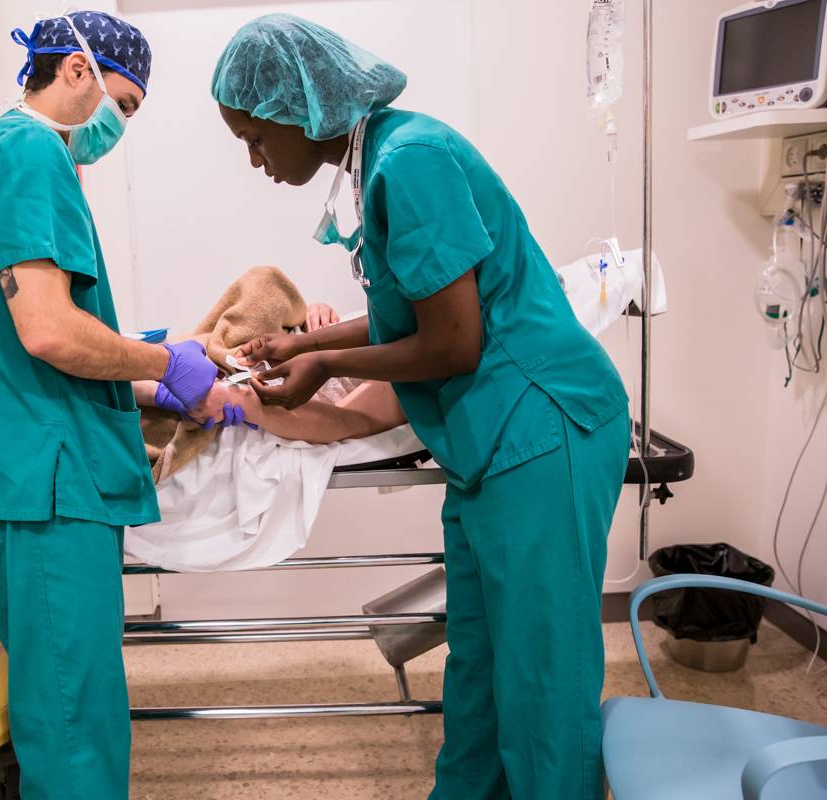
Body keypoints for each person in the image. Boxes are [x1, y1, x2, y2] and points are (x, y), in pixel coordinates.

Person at [211, 15, 630, 800]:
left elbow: (455, 342)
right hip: (486, 443)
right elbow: (414, 309)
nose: (256, 161)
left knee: (542, 673)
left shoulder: (411, 162)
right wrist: (302, 348)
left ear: (299, 108)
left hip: (543, 427)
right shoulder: (380, 163)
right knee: (478, 660)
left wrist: (326, 360)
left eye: (256, 138)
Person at [0, 11, 230, 799]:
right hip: (45, 483)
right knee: (73, 721)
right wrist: (170, 360)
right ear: (76, 71)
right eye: (123, 105)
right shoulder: (32, 154)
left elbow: (30, 337)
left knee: (55, 702)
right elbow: (48, 330)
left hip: (25, 468)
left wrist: (152, 381)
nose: (118, 127)